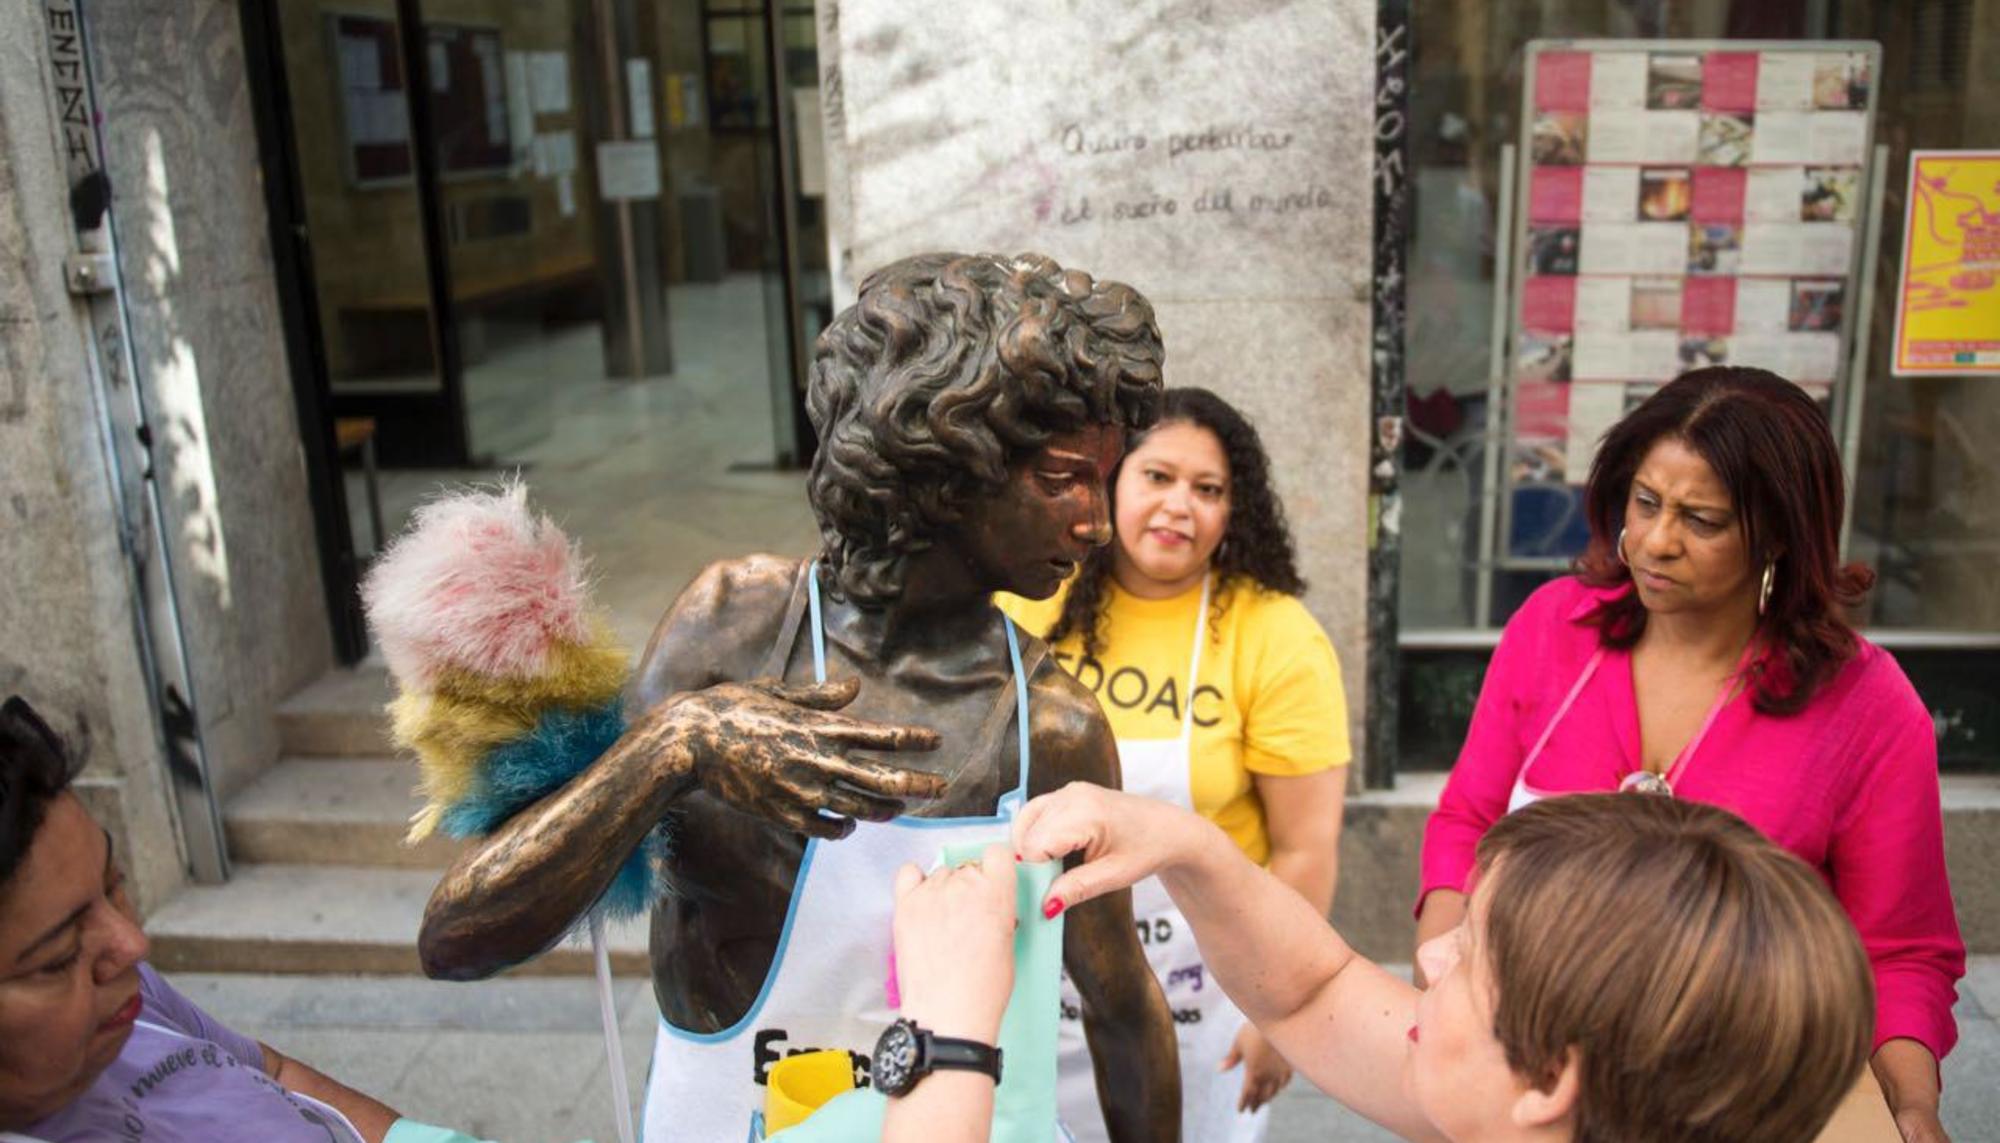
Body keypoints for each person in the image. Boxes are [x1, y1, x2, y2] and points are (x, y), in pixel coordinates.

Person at [413, 252, 1181, 1141]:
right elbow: (458, 937)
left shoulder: (1052, 725)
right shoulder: (734, 628)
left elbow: (1122, 1004)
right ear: (945, 466)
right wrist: (678, 742)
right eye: (1060, 480)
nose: (1096, 519)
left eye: (1103, 479)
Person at [1416, 366, 1964, 1142]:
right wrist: (1442, 983)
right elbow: (1465, 822)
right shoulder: (1553, 628)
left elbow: (1902, 952)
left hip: (1742, 1105)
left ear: (1777, 530)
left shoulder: (1866, 706)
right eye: (1645, 503)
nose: (1655, 542)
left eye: (1700, 519)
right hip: (1530, 1090)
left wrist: (1911, 1106)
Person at [881, 784, 1876, 1143]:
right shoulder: (1534, 1115)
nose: (1427, 952)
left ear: (1549, 1078)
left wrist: (947, 1039)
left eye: (1471, 955)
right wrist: (1188, 846)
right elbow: (1316, 989)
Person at [1000, 386, 1349, 1139]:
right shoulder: (1032, 605)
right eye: (1156, 476)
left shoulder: (1277, 637)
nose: (1178, 506)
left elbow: (1303, 848)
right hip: (1035, 983)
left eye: (1208, 489)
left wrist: (1279, 1013)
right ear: (1109, 483)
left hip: (1207, 1001)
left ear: (1234, 511)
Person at [0, 695, 437, 1143]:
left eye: (113, 886)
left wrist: (410, 1137)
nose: (132, 943)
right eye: (60, 956)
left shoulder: (128, 1007)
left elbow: (273, 1071)